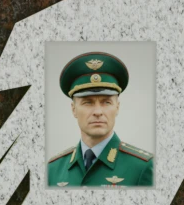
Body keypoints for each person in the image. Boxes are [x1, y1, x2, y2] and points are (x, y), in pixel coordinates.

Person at [48, 51, 154, 187]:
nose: (98, 112)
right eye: (87, 102)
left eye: (106, 102)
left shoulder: (142, 167)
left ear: (117, 107)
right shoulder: (52, 170)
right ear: (73, 109)